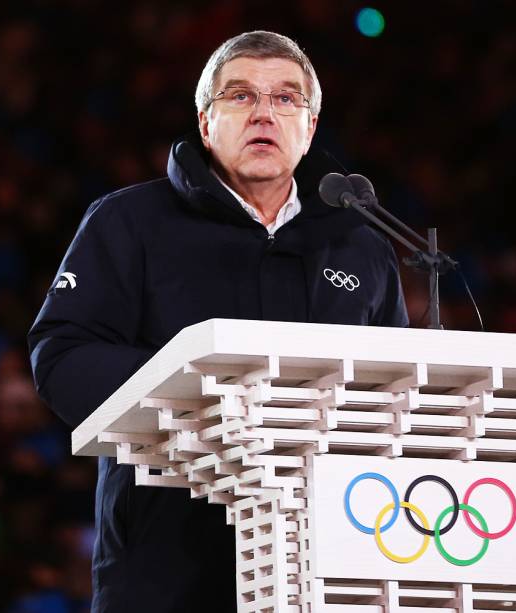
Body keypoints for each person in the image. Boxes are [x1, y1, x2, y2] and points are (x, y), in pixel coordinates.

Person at [28, 31, 408, 612]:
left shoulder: (361, 245)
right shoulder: (130, 222)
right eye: (240, 97)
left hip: (327, 555)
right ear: (206, 123)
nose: (264, 113)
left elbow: (397, 391)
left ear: (309, 127)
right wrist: (205, 397)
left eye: (286, 99)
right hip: (166, 553)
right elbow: (63, 354)